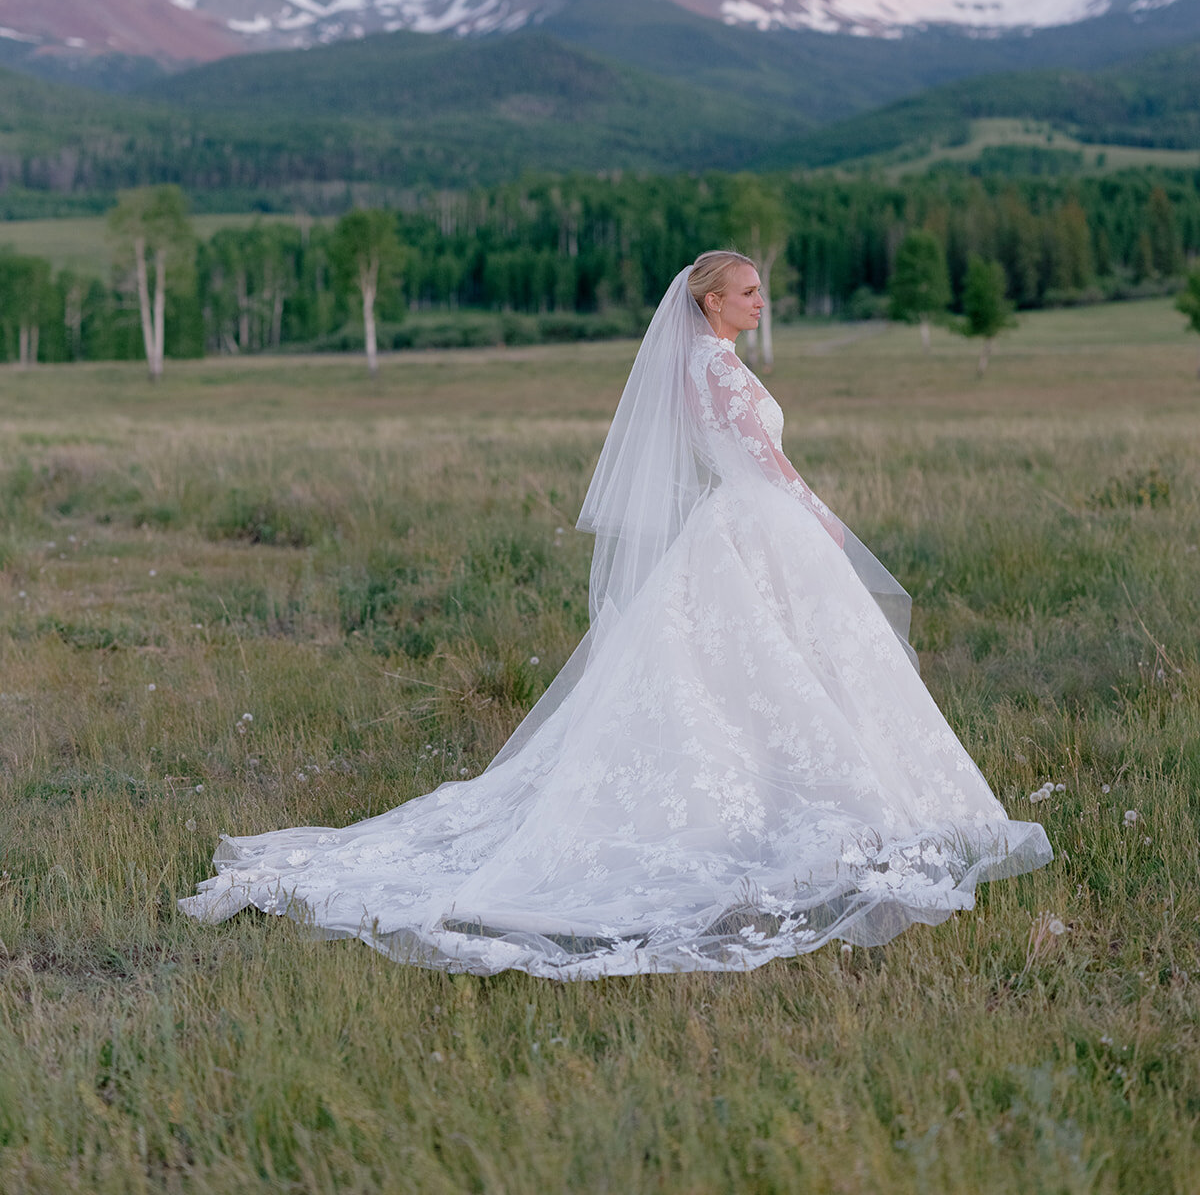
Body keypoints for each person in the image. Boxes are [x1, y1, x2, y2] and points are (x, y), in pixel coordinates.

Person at [180, 251, 1051, 977]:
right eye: (749, 292)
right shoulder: (715, 364)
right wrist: (825, 520)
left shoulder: (701, 362)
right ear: (712, 301)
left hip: (735, 528)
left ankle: (794, 790)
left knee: (759, 672)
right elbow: (762, 463)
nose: (761, 301)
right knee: (773, 669)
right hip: (758, 522)